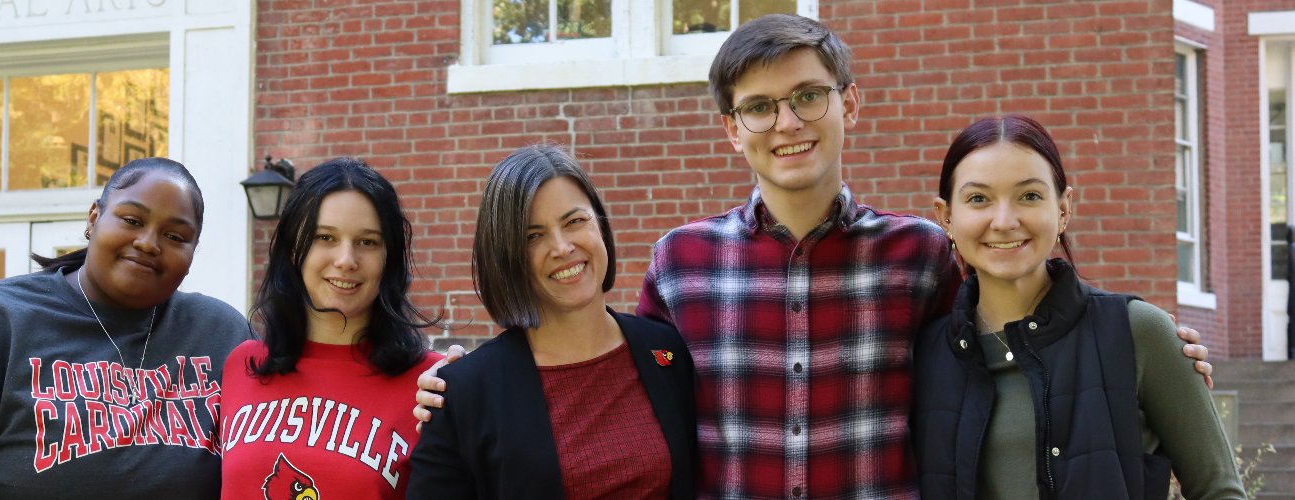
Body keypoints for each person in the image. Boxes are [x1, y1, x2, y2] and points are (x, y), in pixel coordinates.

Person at [415, 13, 1214, 499]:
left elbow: (1011, 322)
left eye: (807, 96)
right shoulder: (681, 264)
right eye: (759, 107)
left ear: (848, 103)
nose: (787, 123)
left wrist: (1136, 349)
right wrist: (464, 383)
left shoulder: (920, 254)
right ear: (732, 129)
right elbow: (612, 376)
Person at [0, 158, 253, 499]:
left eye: (175, 236)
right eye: (132, 220)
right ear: (94, 218)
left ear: (192, 252)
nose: (149, 242)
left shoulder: (222, 336)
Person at [911, 115, 1244, 499]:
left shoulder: (1137, 332)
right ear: (946, 217)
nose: (1004, 221)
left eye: (1029, 196)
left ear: (1064, 209)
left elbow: (1219, 491)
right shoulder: (923, 353)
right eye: (978, 199)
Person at [406, 144, 697, 499]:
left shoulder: (667, 351)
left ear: (600, 225)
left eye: (574, 221)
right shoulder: (464, 393)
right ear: (506, 257)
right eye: (533, 236)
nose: (562, 247)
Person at [218, 158, 443, 500]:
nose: (346, 260)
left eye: (367, 242)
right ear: (294, 249)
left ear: (389, 258)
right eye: (325, 237)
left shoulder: (430, 384)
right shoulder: (242, 365)